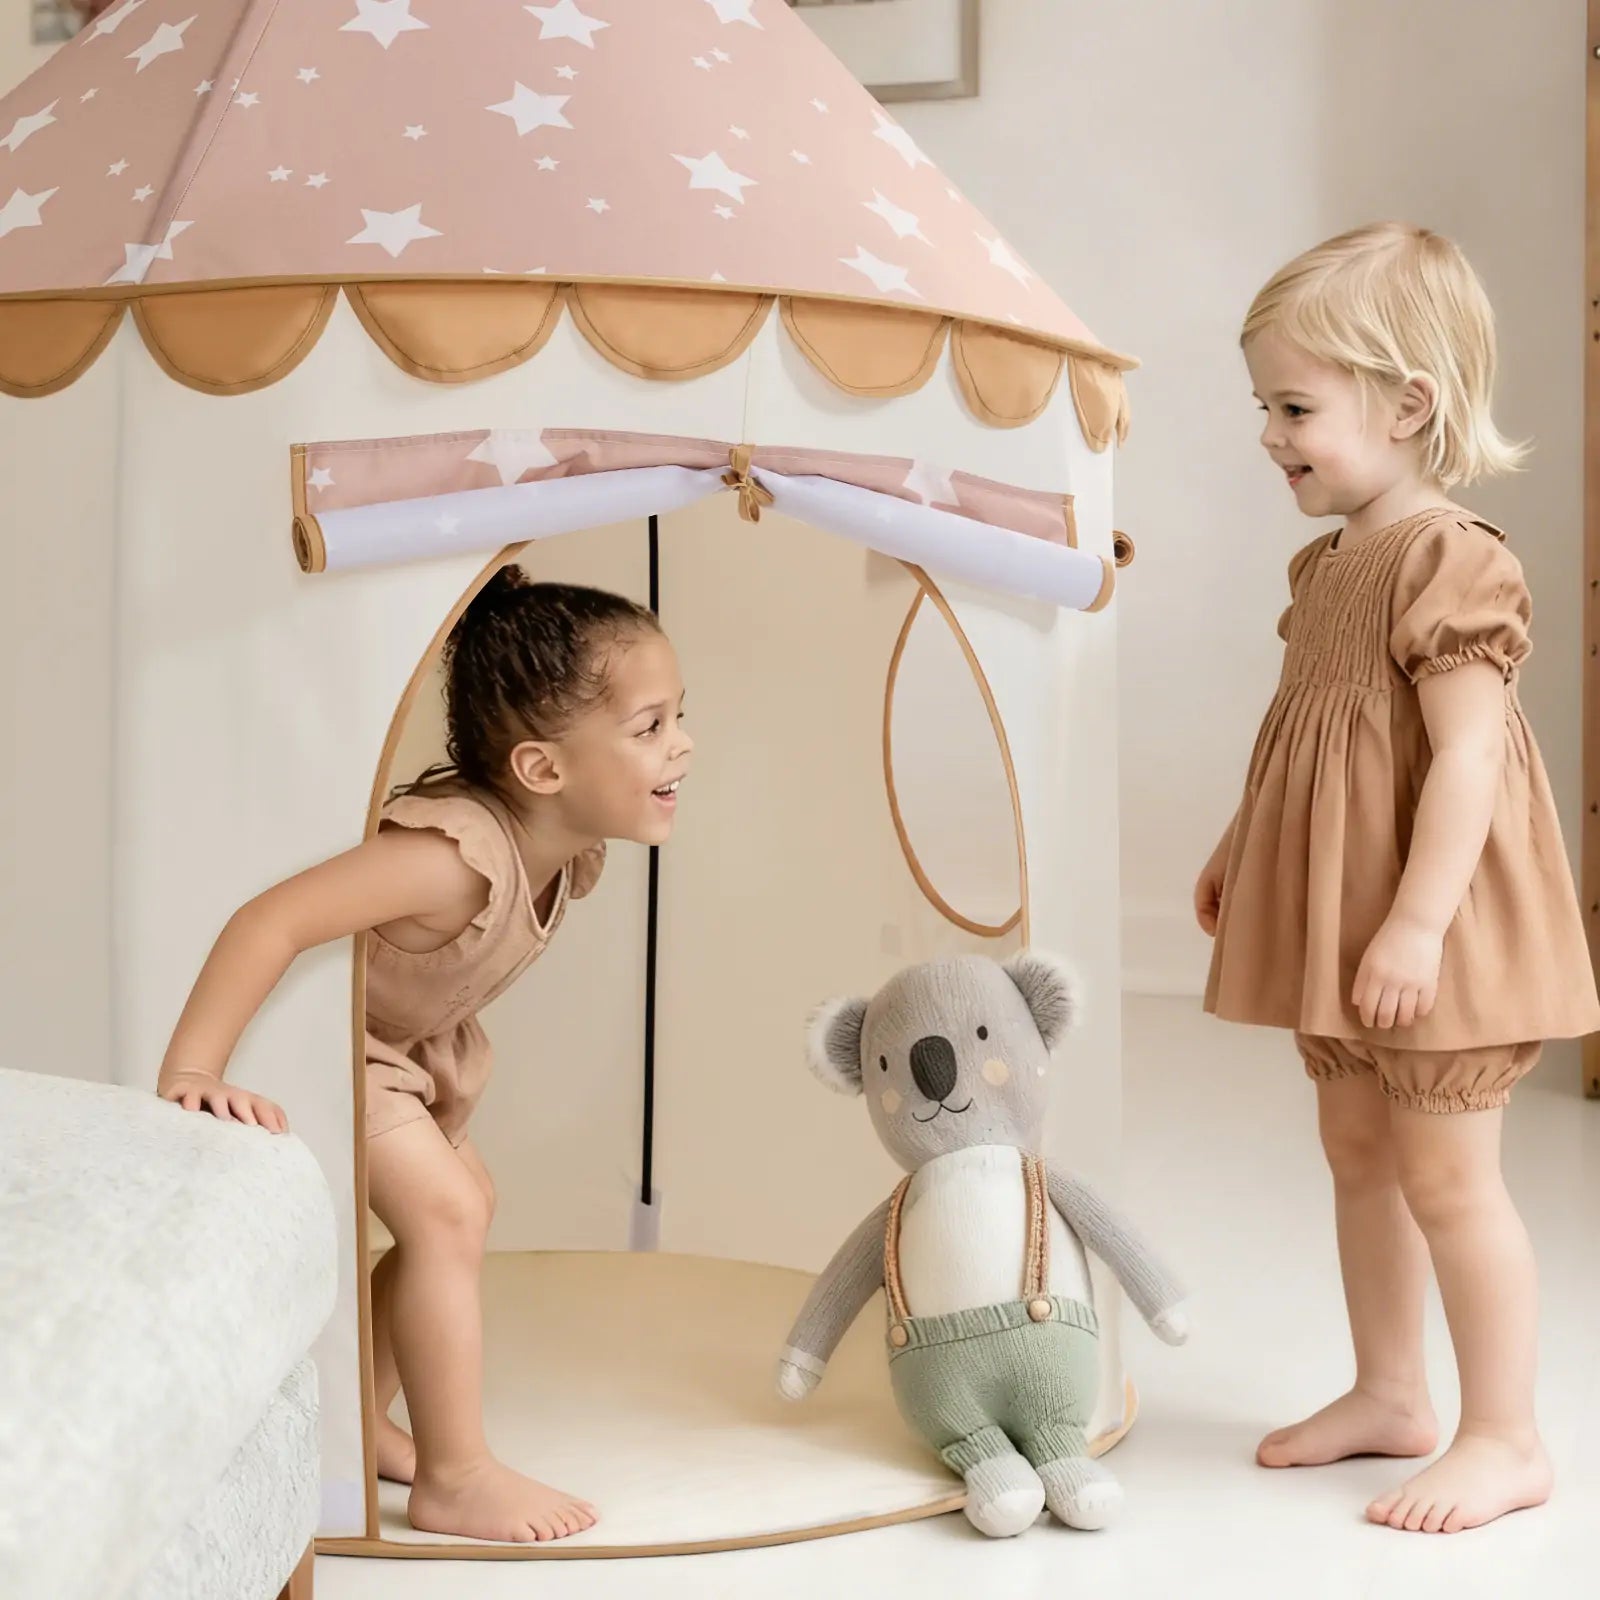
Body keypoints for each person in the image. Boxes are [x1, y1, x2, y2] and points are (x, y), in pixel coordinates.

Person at [1195, 222, 1599, 1534]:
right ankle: (1390, 1393)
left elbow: (1470, 758)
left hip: (1436, 920)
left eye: (1295, 404)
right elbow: (1305, 735)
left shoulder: (1449, 558)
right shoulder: (1325, 566)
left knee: (1448, 1177)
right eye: (1265, 403)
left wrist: (1419, 923)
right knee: (1356, 1149)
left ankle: (1506, 1436)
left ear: (1409, 404)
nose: (1270, 432)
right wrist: (1238, 848)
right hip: (1346, 914)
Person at [157, 570, 692, 1544]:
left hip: (406, 1057)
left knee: (465, 1204)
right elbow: (271, 919)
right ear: (540, 769)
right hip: (326, 1054)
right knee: (445, 1209)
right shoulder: (450, 855)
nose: (681, 745)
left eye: (677, 717)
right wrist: (194, 1065)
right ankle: (455, 1472)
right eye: (651, 726)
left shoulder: (560, 850)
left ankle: (354, 1418)